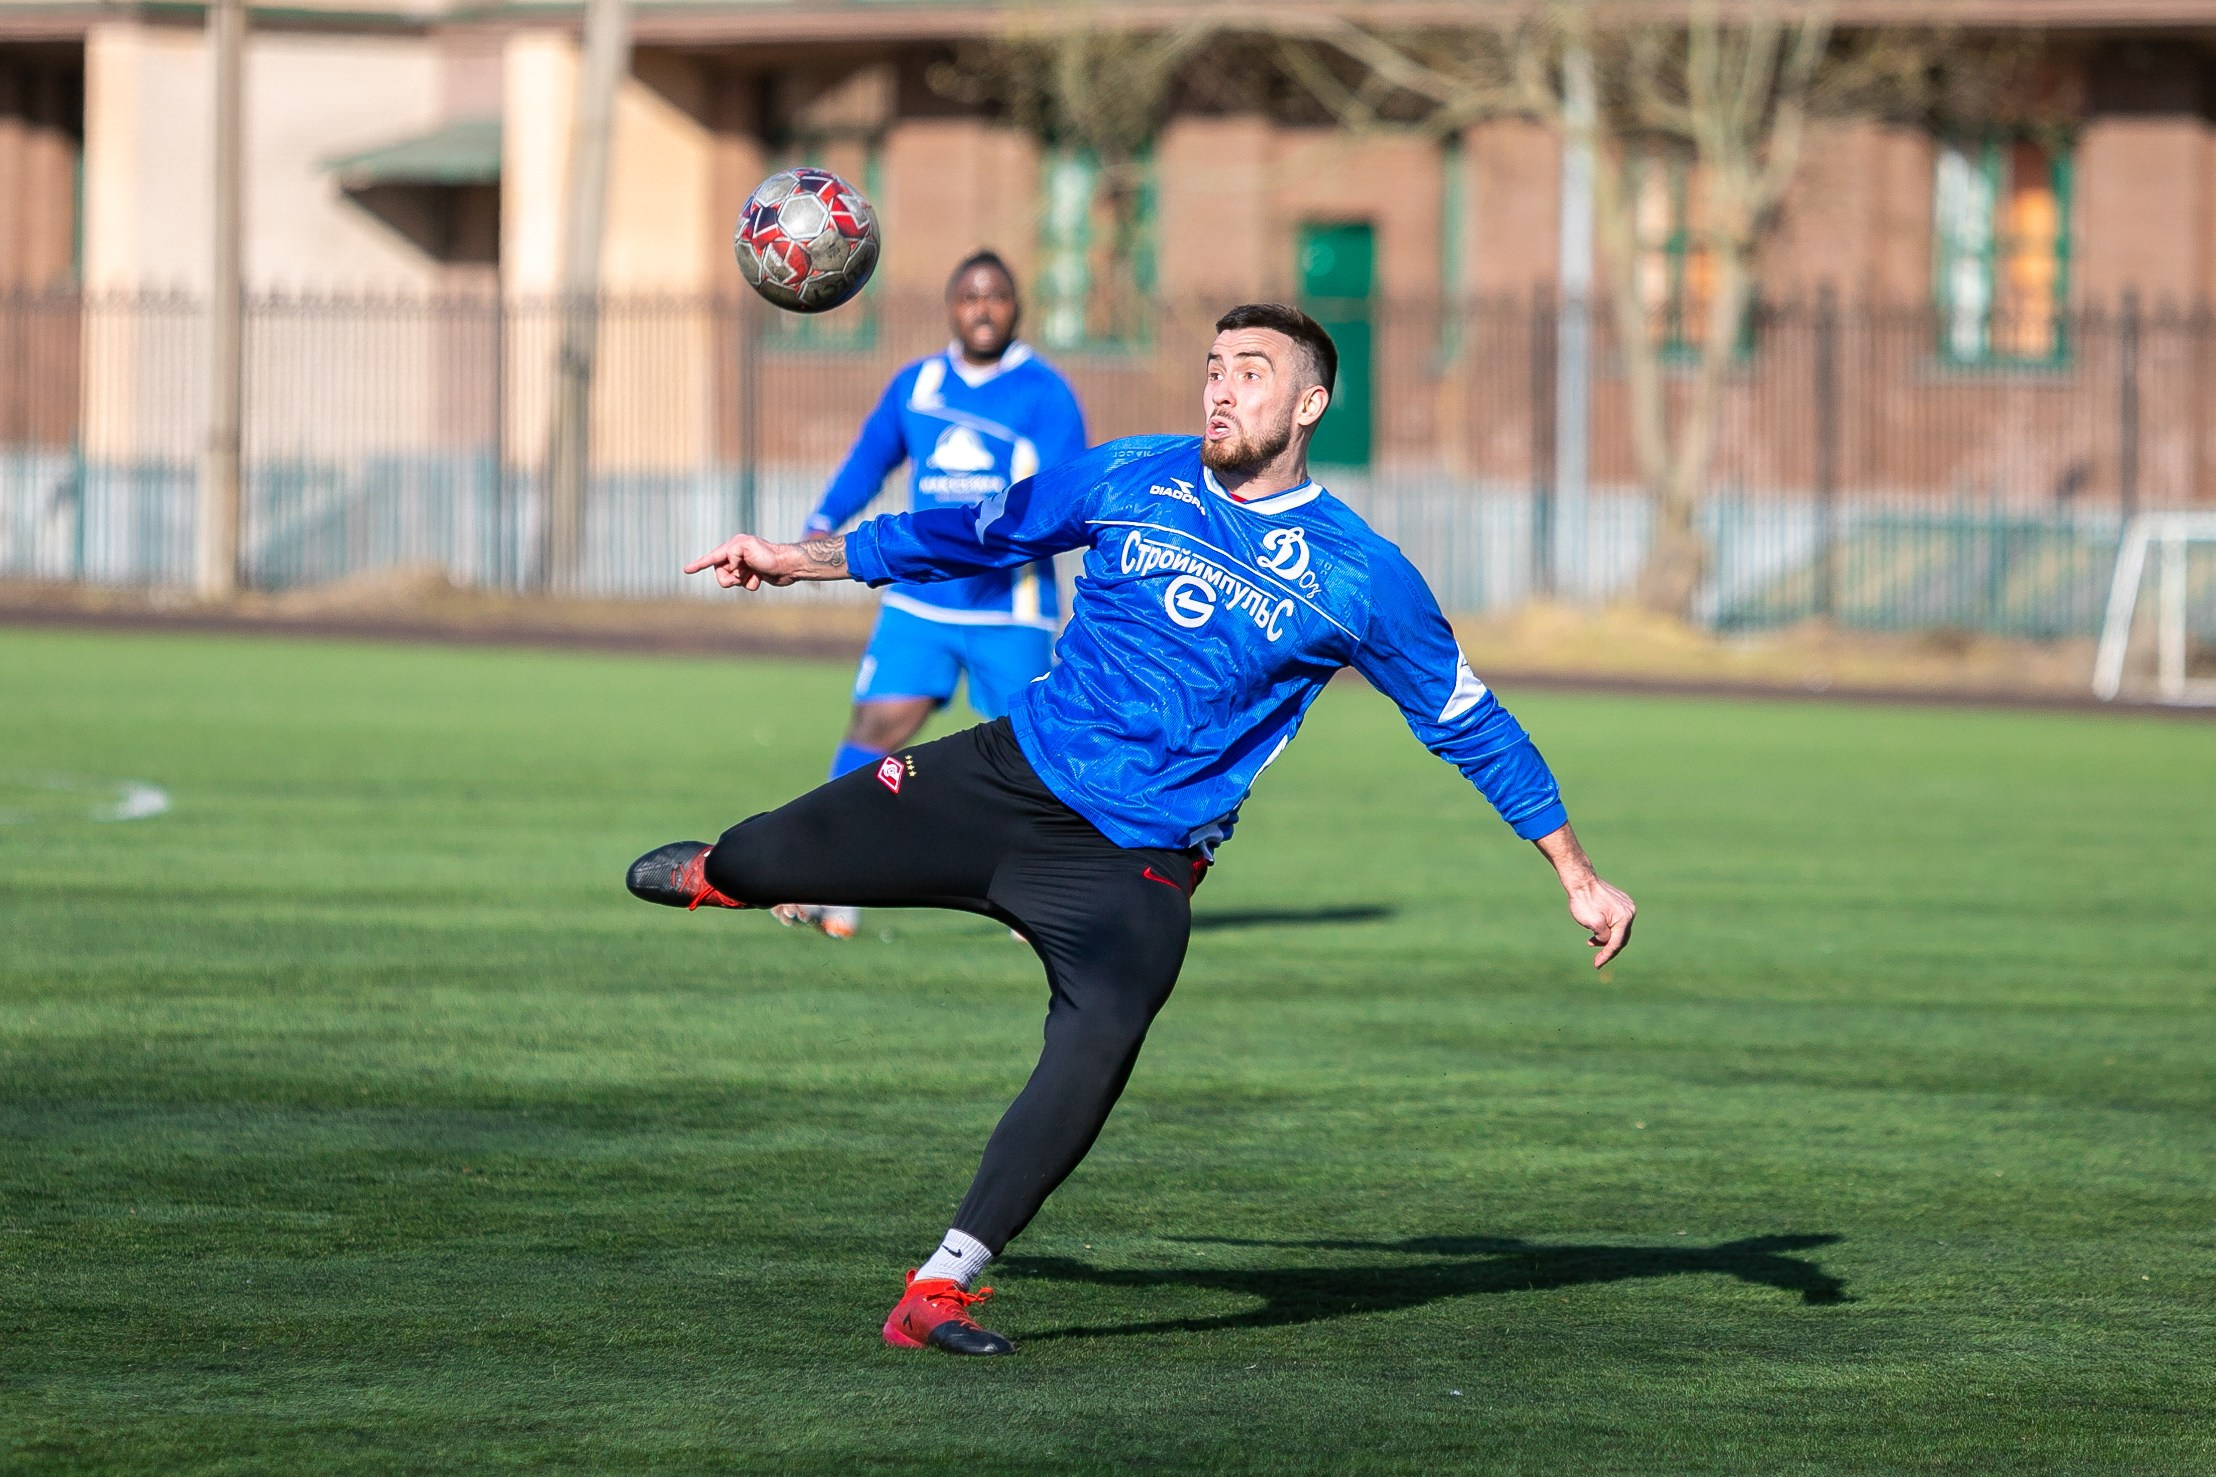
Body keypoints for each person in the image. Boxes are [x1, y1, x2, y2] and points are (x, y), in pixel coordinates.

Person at [628, 303, 1637, 1357]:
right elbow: (975, 531)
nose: (1220, 388)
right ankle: (721, 875)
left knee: (1100, 1036)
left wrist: (1574, 871)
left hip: (1136, 862)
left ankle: (939, 1287)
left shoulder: (1360, 574)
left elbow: (1467, 720)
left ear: (1309, 404)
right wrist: (799, 559)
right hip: (1009, 776)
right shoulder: (1133, 473)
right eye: (1213, 366)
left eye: (1250, 371)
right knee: (759, 855)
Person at [777, 250, 1088, 939]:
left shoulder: (1044, 392)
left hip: (1010, 608)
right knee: (873, 730)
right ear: (951, 307)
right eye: (970, 296)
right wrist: (821, 524)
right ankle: (832, 883)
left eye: (997, 295)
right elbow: (870, 457)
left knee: (1034, 758)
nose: (984, 308)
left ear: (1017, 307)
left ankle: (1042, 897)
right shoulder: (916, 384)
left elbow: (1064, 497)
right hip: (921, 603)